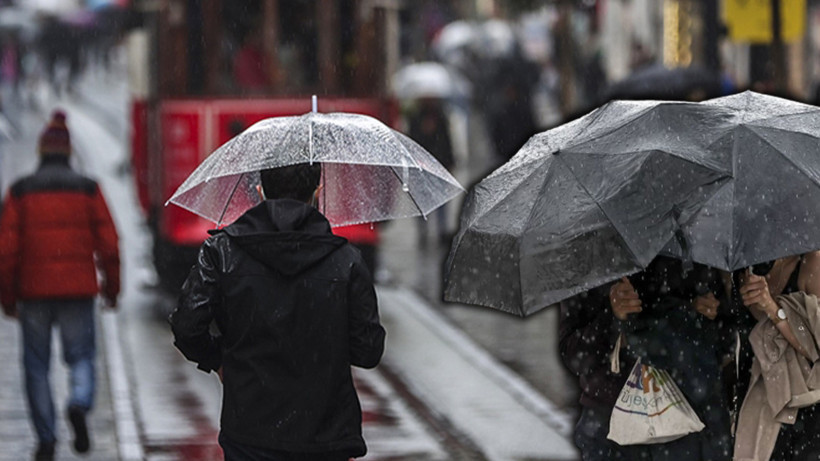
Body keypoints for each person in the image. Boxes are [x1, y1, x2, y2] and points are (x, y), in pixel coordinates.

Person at [170, 162, 386, 460]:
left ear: (260, 192)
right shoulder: (346, 261)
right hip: (325, 436)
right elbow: (368, 351)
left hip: (249, 433)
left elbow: (187, 325)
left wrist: (219, 360)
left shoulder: (222, 252)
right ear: (317, 193)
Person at [0, 110, 120, 461]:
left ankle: (47, 438)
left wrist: (7, 298)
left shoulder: (20, 191)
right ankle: (79, 402)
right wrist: (112, 289)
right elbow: (110, 245)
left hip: (33, 292)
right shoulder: (88, 189)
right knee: (82, 356)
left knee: (36, 366)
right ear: (69, 152)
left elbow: (5, 252)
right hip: (78, 290)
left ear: (41, 152)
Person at [559, 255, 734, 461]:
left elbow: (724, 340)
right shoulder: (587, 262)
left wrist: (696, 314)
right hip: (612, 428)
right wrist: (613, 317)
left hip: (687, 423)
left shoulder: (691, 253)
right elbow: (575, 356)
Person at [733, 251, 820, 461]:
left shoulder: (812, 262)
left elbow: (815, 346)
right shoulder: (743, 264)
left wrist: (772, 308)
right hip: (756, 396)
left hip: (801, 404)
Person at [407, 97, 455, 246]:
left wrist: (450, 161)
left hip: (439, 164)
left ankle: (441, 231)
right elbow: (412, 143)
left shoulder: (440, 117)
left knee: (441, 201)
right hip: (422, 166)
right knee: (422, 200)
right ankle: (423, 232)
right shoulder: (416, 118)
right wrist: (424, 131)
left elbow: (446, 141)